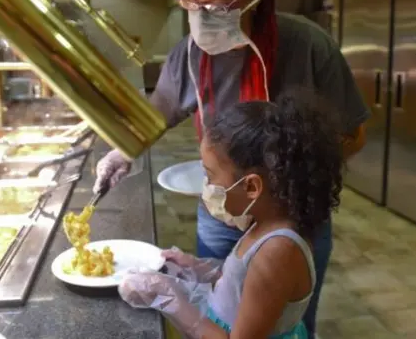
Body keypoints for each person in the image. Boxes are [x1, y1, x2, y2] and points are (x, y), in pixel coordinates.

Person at [94, 0, 369, 335]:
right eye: (191, 1)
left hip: (290, 217)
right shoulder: (188, 55)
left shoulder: (309, 47)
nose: (200, 16)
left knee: (286, 319)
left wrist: (284, 170)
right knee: (227, 296)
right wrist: (123, 152)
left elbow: (354, 134)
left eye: (217, 5)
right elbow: (155, 116)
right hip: (223, 212)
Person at [119, 91, 343, 338]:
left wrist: (169, 299)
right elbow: (244, 288)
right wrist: (197, 269)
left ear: (251, 187)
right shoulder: (262, 222)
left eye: (210, 175)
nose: (206, 185)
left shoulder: (277, 252)